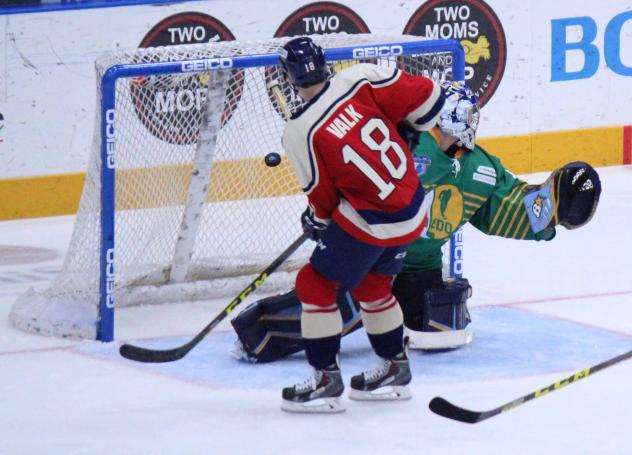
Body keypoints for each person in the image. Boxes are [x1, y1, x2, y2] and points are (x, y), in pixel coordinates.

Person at [231, 81, 602, 367]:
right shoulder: (422, 152)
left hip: (416, 267)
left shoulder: (473, 166)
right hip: (369, 260)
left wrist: (561, 202)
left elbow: (511, 210)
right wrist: (328, 215)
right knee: (333, 312)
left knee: (441, 326)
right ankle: (258, 329)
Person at [275, 36, 446, 413]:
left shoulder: (300, 129)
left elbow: (322, 198)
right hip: (414, 208)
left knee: (314, 283)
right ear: (325, 62)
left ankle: (324, 379)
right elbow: (430, 96)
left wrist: (317, 222)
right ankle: (395, 369)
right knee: (373, 283)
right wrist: (412, 126)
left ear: (289, 79)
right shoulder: (360, 77)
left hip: (375, 219)